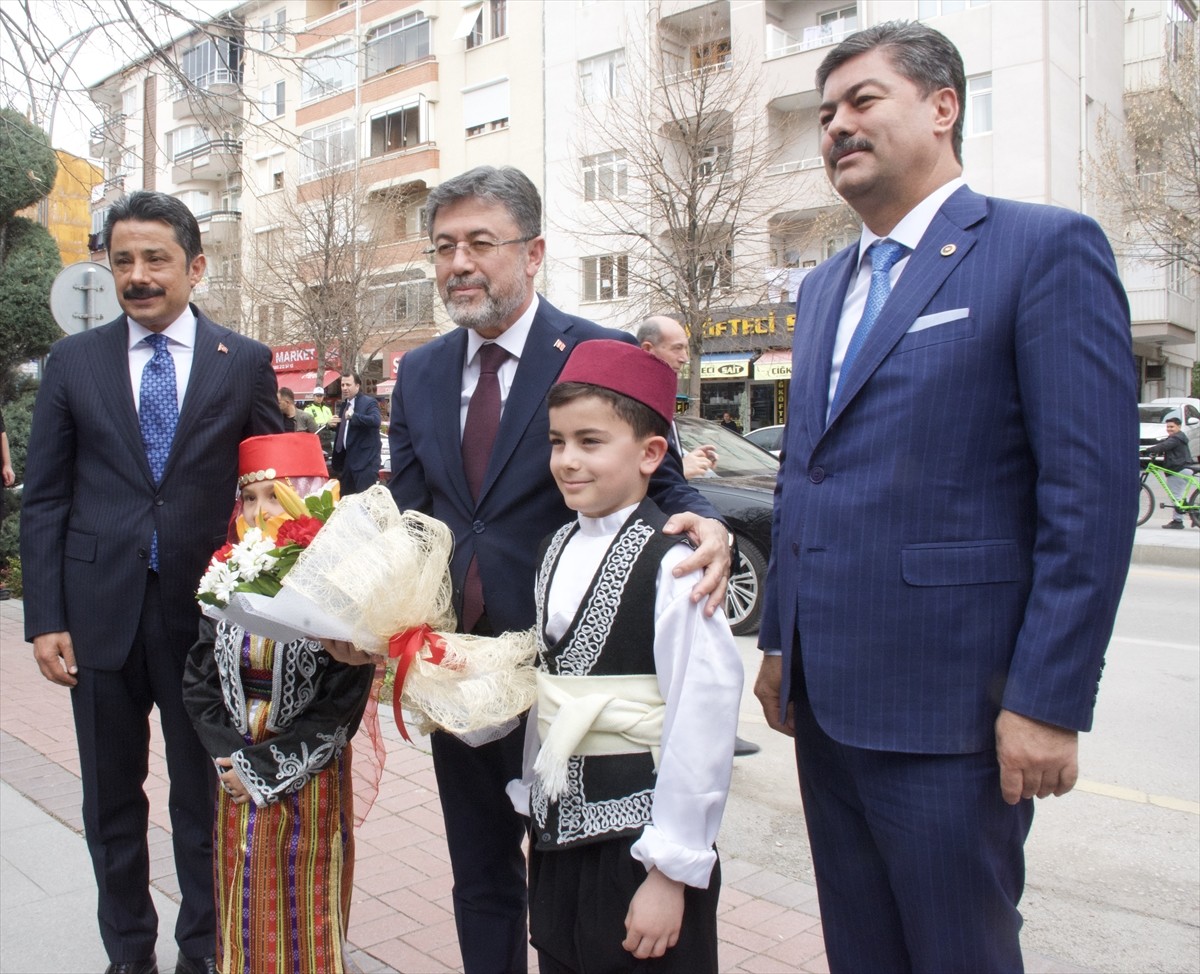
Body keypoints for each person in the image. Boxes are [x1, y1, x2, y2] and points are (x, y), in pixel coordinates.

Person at [752, 21, 1137, 974]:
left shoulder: (1043, 250)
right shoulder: (826, 285)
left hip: (953, 715)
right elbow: (810, 475)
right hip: (826, 705)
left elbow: (1089, 498)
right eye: (826, 112)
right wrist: (777, 644)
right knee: (863, 952)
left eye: (863, 101)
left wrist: (1048, 700)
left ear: (942, 106)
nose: (837, 125)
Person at [327, 165, 729, 974]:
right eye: (443, 247)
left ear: (533, 251)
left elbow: (666, 478)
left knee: (574, 885)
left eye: (480, 242)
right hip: (458, 675)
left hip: (571, 683)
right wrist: (364, 621)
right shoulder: (425, 372)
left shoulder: (599, 353)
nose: (458, 264)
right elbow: (412, 519)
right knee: (480, 877)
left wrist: (710, 526)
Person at [19, 191, 283, 974]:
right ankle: (129, 955)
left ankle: (201, 953)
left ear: (194, 267)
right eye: (122, 259)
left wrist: (278, 602)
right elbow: (48, 497)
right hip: (98, 619)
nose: (137, 275)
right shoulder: (74, 362)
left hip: (207, 624)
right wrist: (45, 618)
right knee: (110, 803)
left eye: (155, 259)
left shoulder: (247, 364)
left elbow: (276, 495)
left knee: (201, 804)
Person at [511, 339, 741, 973]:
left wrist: (671, 871)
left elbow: (705, 716)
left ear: (650, 454)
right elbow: (553, 698)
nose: (567, 461)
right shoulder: (554, 546)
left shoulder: (673, 564)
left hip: (638, 845)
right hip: (561, 840)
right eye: (557, 442)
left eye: (590, 441)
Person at [182, 433, 375, 974]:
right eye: (250, 499)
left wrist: (266, 769)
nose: (261, 511)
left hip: (308, 778)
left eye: (275, 496)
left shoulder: (337, 587)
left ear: (309, 498)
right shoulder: (228, 579)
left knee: (302, 907)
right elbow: (199, 679)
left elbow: (342, 705)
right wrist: (229, 758)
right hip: (232, 778)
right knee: (240, 903)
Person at [636, 316, 718, 479]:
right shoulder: (630, 401)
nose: (685, 358)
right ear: (647, 349)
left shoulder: (658, 396)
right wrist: (680, 469)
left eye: (686, 349)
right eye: (677, 348)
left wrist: (682, 460)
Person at [328, 371, 381, 495]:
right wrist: (334, 425)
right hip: (347, 463)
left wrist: (354, 416)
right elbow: (348, 431)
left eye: (348, 385)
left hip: (365, 464)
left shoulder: (369, 402)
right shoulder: (345, 404)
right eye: (342, 385)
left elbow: (375, 421)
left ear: (357, 386)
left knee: (364, 504)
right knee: (347, 503)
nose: (344, 388)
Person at [1142, 416, 1196, 528]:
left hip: (1178, 468)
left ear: (1179, 427)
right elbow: (1163, 444)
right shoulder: (1177, 437)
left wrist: (1146, 451)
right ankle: (1193, 515)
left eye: (1172, 426)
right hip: (1184, 467)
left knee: (1176, 495)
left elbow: (1164, 446)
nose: (1169, 429)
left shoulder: (1176, 439)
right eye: (1168, 427)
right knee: (1179, 495)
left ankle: (1178, 521)